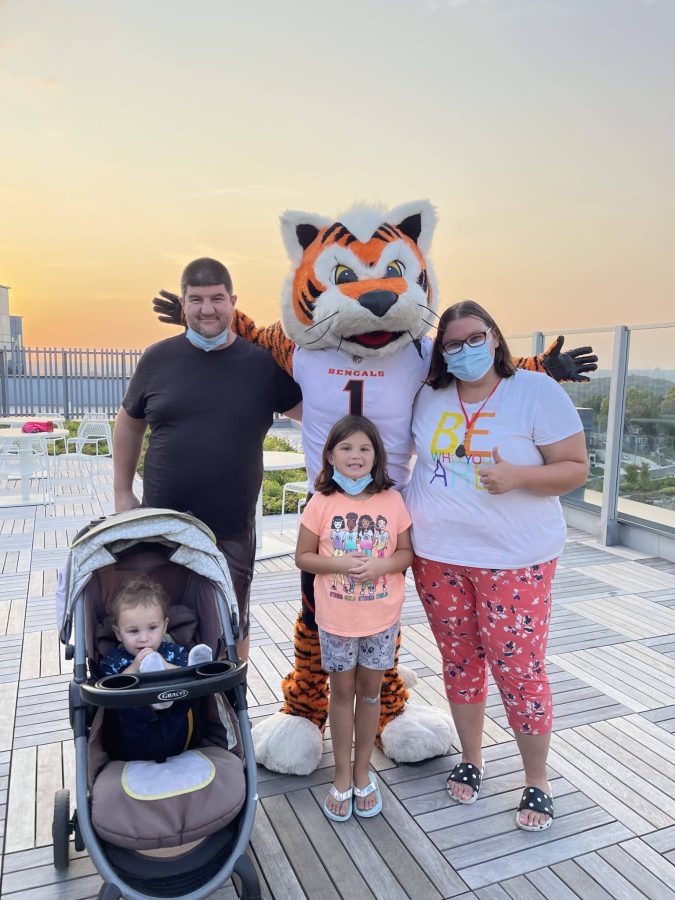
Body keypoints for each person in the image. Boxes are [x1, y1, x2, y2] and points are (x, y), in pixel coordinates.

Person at [405, 300, 589, 832]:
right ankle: (473, 756)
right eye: (453, 344)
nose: (466, 351)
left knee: (519, 669)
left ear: (495, 337)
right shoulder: (429, 396)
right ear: (441, 352)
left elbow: (576, 468)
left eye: (475, 338)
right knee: (460, 662)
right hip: (438, 556)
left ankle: (537, 780)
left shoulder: (535, 392)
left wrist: (519, 478)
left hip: (515, 560)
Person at [113, 258, 303, 660]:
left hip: (230, 532)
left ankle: (230, 711)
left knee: (231, 626)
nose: (207, 309)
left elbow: (318, 416)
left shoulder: (260, 364)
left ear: (233, 301)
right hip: (161, 527)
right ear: (182, 304)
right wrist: (122, 493)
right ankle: (172, 716)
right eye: (196, 299)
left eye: (217, 298)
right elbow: (129, 423)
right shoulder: (157, 358)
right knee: (156, 627)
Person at [296, 415, 413, 821]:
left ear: (377, 456)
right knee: (341, 694)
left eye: (365, 448)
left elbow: (406, 553)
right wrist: (338, 563)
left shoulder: (392, 501)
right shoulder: (322, 502)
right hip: (337, 620)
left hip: (381, 618)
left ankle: (364, 773)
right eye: (346, 448)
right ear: (330, 455)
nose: (355, 456)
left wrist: (381, 568)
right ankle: (342, 776)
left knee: (370, 694)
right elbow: (303, 557)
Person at [100, 576, 213, 761]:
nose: (144, 638)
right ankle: (153, 688)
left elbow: (185, 680)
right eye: (133, 631)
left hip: (178, 733)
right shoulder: (115, 659)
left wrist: (162, 665)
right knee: (123, 702)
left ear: (164, 627)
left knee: (189, 690)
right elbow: (109, 689)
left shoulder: (173, 651)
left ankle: (197, 668)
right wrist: (136, 667)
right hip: (134, 740)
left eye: (152, 628)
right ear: (118, 634)